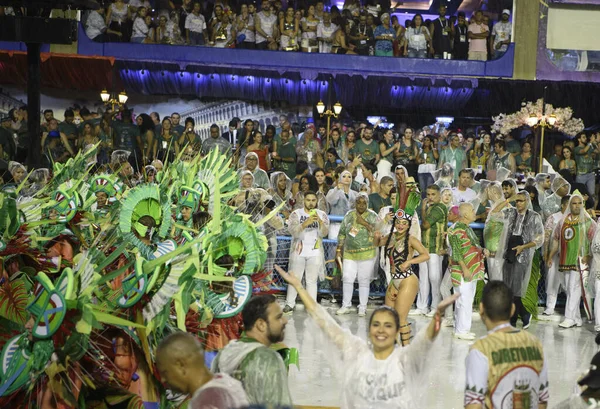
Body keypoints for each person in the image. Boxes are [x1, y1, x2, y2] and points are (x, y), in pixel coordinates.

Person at [275, 264, 459, 409]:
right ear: (369, 329)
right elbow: (325, 322)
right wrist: (299, 287)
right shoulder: (356, 352)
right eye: (376, 325)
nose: (381, 330)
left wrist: (437, 317)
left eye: (388, 326)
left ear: (396, 331)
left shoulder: (404, 360)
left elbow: (424, 343)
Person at [464, 281, 549, 409]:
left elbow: (473, 405)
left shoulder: (481, 350)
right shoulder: (536, 344)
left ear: (481, 309)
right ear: (513, 309)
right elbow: (542, 400)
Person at [212, 294, 293, 406]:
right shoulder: (268, 359)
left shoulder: (224, 354)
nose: (285, 321)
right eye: (278, 317)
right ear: (261, 324)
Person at [491, 191, 544, 329]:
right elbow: (494, 212)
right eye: (517, 201)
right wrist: (508, 199)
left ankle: (517, 318)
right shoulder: (510, 212)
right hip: (509, 251)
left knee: (516, 288)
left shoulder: (534, 216)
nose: (518, 203)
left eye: (521, 200)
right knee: (508, 287)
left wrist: (524, 247)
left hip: (523, 253)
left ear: (527, 201)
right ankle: (520, 316)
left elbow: (540, 238)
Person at [156, 332, 249, 409]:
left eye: (165, 372)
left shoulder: (206, 401)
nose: (163, 379)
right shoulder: (225, 382)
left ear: (181, 365)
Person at [381, 207, 430, 345]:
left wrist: (409, 261)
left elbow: (425, 255)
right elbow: (376, 242)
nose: (400, 225)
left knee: (401, 318)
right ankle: (391, 350)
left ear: (409, 225)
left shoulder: (412, 239)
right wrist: (377, 234)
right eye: (398, 222)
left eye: (404, 223)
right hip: (394, 280)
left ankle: (406, 351)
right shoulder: (390, 237)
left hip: (407, 279)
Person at [547, 194, 596, 328]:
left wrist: (589, 256)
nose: (577, 206)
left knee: (574, 289)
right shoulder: (562, 222)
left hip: (580, 261)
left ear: (583, 205)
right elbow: (556, 239)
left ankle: (569, 318)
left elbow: (595, 242)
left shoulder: (588, 222)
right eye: (574, 203)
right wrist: (550, 256)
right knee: (569, 289)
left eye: (579, 203)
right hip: (564, 260)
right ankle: (576, 318)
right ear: (570, 205)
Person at [283, 191, 329, 314]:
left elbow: (325, 233)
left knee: (311, 281)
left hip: (315, 252)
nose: (311, 202)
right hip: (298, 251)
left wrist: (320, 222)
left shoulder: (322, 215)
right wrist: (305, 224)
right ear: (304, 200)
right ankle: (289, 304)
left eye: (313, 200)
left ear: (317, 201)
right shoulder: (296, 214)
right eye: (308, 200)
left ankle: (311, 306)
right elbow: (292, 231)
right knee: (295, 279)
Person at [449, 202, 489, 340]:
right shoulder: (456, 230)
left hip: (472, 268)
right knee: (463, 300)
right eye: (472, 210)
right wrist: (465, 269)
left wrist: (483, 251)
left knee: (467, 300)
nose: (474, 212)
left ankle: (462, 328)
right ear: (465, 214)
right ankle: (461, 330)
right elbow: (456, 252)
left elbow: (473, 246)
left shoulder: (467, 228)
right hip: (462, 271)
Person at [336, 193, 381, 317]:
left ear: (367, 204)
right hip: (349, 253)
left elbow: (378, 231)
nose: (361, 206)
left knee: (364, 280)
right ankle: (346, 305)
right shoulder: (349, 215)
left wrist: (364, 223)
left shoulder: (373, 216)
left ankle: (363, 307)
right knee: (347, 277)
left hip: (367, 253)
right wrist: (339, 249)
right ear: (354, 203)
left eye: (364, 203)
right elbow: (342, 232)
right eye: (358, 203)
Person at [418, 184, 447, 317]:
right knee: (423, 278)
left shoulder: (440, 208)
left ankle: (436, 308)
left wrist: (423, 209)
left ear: (439, 195)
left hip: (435, 249)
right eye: (428, 194)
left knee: (434, 279)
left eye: (433, 194)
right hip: (424, 248)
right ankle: (422, 306)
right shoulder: (431, 208)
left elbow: (425, 225)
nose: (430, 197)